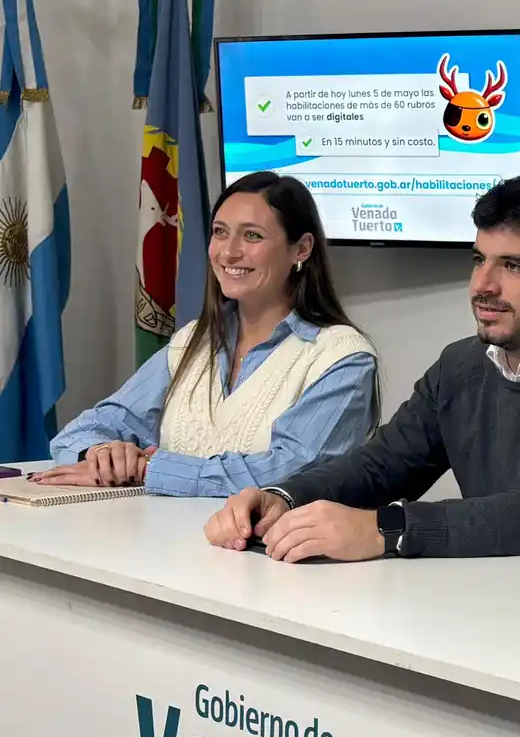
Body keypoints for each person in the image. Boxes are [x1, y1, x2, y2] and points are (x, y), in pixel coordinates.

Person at [203, 174, 520, 567]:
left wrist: (387, 529)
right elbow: (383, 465)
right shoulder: (462, 365)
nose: (482, 286)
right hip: (489, 609)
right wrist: (283, 496)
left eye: (512, 266)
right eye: (479, 260)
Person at [40, 172, 378, 496]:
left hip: (266, 553)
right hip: (162, 546)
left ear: (302, 249)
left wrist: (149, 470)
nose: (228, 252)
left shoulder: (342, 357)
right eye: (220, 232)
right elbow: (78, 434)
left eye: (252, 236)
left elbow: (291, 471)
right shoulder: (193, 341)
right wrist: (102, 456)